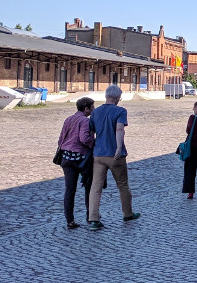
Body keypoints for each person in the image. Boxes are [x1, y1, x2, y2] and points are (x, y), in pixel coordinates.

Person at [87, 85, 140, 230]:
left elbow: (91, 133)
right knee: (122, 184)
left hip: (98, 154)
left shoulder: (96, 112)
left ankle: (93, 219)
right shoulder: (120, 111)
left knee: (95, 187)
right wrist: (118, 147)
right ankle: (127, 213)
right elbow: (119, 129)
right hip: (115, 155)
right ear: (117, 97)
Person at [57, 97, 95, 229]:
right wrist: (93, 142)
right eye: (92, 107)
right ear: (86, 108)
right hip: (81, 159)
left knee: (70, 190)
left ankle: (70, 220)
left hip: (66, 158)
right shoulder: (85, 120)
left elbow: (61, 139)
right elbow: (84, 139)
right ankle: (91, 216)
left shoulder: (69, 119)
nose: (93, 109)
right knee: (88, 186)